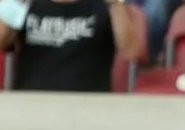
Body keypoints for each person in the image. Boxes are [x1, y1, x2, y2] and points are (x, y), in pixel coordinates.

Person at [0, 0, 140, 92]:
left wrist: (116, 5)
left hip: (91, 105)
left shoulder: (107, 5)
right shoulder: (25, 4)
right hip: (32, 102)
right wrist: (14, 5)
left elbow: (130, 52)